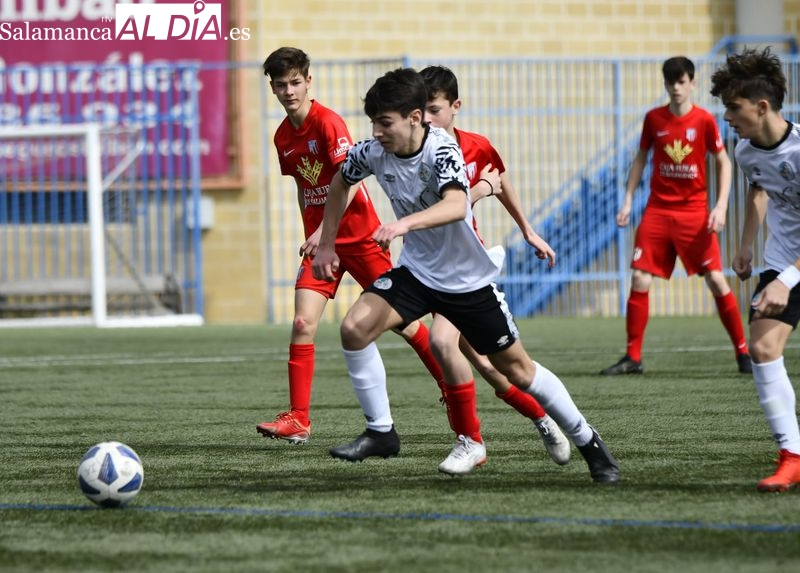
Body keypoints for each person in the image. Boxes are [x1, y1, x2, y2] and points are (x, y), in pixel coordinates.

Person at [311, 67, 620, 482]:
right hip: (418, 274)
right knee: (354, 327)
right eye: (373, 123)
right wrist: (327, 242)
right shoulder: (372, 152)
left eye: (385, 122)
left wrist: (403, 225)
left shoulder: (442, 150)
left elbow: (457, 205)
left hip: (466, 282)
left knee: (517, 371)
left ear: (415, 118)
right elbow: (339, 181)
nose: (377, 131)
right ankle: (381, 431)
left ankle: (588, 441)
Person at [256, 47, 447, 444]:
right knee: (302, 322)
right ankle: (299, 419)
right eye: (280, 84)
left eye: (295, 82)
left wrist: (323, 232)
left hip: (358, 238)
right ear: (272, 88)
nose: (289, 91)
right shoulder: (282, 137)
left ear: (308, 81)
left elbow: (350, 180)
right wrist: (312, 231)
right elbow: (304, 188)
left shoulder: (328, 123)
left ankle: (451, 386)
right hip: (322, 244)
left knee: (407, 326)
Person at [419, 64, 570, 466]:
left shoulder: (476, 147)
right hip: (429, 269)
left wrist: (528, 230)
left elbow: (500, 182)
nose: (427, 119)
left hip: (466, 270)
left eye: (434, 109)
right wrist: (479, 190)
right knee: (481, 364)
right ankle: (522, 425)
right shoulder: (416, 153)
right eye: (421, 110)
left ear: (456, 107)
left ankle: (478, 438)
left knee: (460, 350)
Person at [601, 56, 751, 376]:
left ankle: (743, 353)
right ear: (666, 84)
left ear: (692, 83)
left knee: (715, 279)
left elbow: (723, 162)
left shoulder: (705, 121)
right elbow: (640, 160)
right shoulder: (654, 119)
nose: (676, 88)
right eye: (671, 82)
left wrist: (721, 205)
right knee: (640, 277)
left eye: (682, 82)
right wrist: (627, 200)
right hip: (657, 210)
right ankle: (633, 357)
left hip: (694, 213)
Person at [710, 47, 800, 492]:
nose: (726, 116)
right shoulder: (745, 151)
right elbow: (760, 191)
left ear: (761, 107)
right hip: (784, 259)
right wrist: (746, 246)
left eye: (733, 106)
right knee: (762, 348)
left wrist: (787, 280)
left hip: (792, 270)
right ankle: (792, 457)